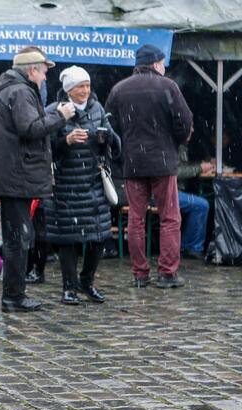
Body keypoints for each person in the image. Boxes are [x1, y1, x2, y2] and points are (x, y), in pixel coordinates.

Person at [0, 46, 75, 312]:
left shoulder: (12, 89)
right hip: (16, 178)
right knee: (18, 239)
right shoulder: (21, 91)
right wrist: (60, 115)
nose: (46, 76)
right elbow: (30, 128)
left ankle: (14, 295)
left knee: (18, 237)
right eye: (45, 71)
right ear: (33, 70)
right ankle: (13, 297)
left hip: (12, 176)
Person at [106, 44, 193, 288]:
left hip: (133, 163)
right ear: (155, 63)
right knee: (169, 218)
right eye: (163, 63)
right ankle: (167, 273)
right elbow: (185, 122)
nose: (164, 67)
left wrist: (123, 151)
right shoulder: (168, 86)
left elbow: (108, 127)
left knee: (136, 218)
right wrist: (175, 142)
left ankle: (140, 273)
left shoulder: (119, 89)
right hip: (163, 162)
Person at [43, 65, 114, 305]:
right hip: (66, 185)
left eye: (87, 86)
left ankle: (87, 281)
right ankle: (69, 288)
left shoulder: (98, 108)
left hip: (93, 182)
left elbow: (114, 142)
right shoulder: (55, 111)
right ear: (69, 90)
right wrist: (66, 141)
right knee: (68, 240)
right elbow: (45, 148)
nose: (85, 91)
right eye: (80, 87)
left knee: (99, 236)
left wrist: (105, 138)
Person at [177, 144, 212, 259]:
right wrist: (200, 168)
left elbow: (183, 166)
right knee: (201, 205)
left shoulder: (180, 146)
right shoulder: (171, 145)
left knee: (202, 202)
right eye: (190, 126)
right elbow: (176, 171)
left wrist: (201, 165)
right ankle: (190, 247)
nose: (192, 130)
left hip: (173, 190)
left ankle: (190, 246)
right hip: (164, 192)